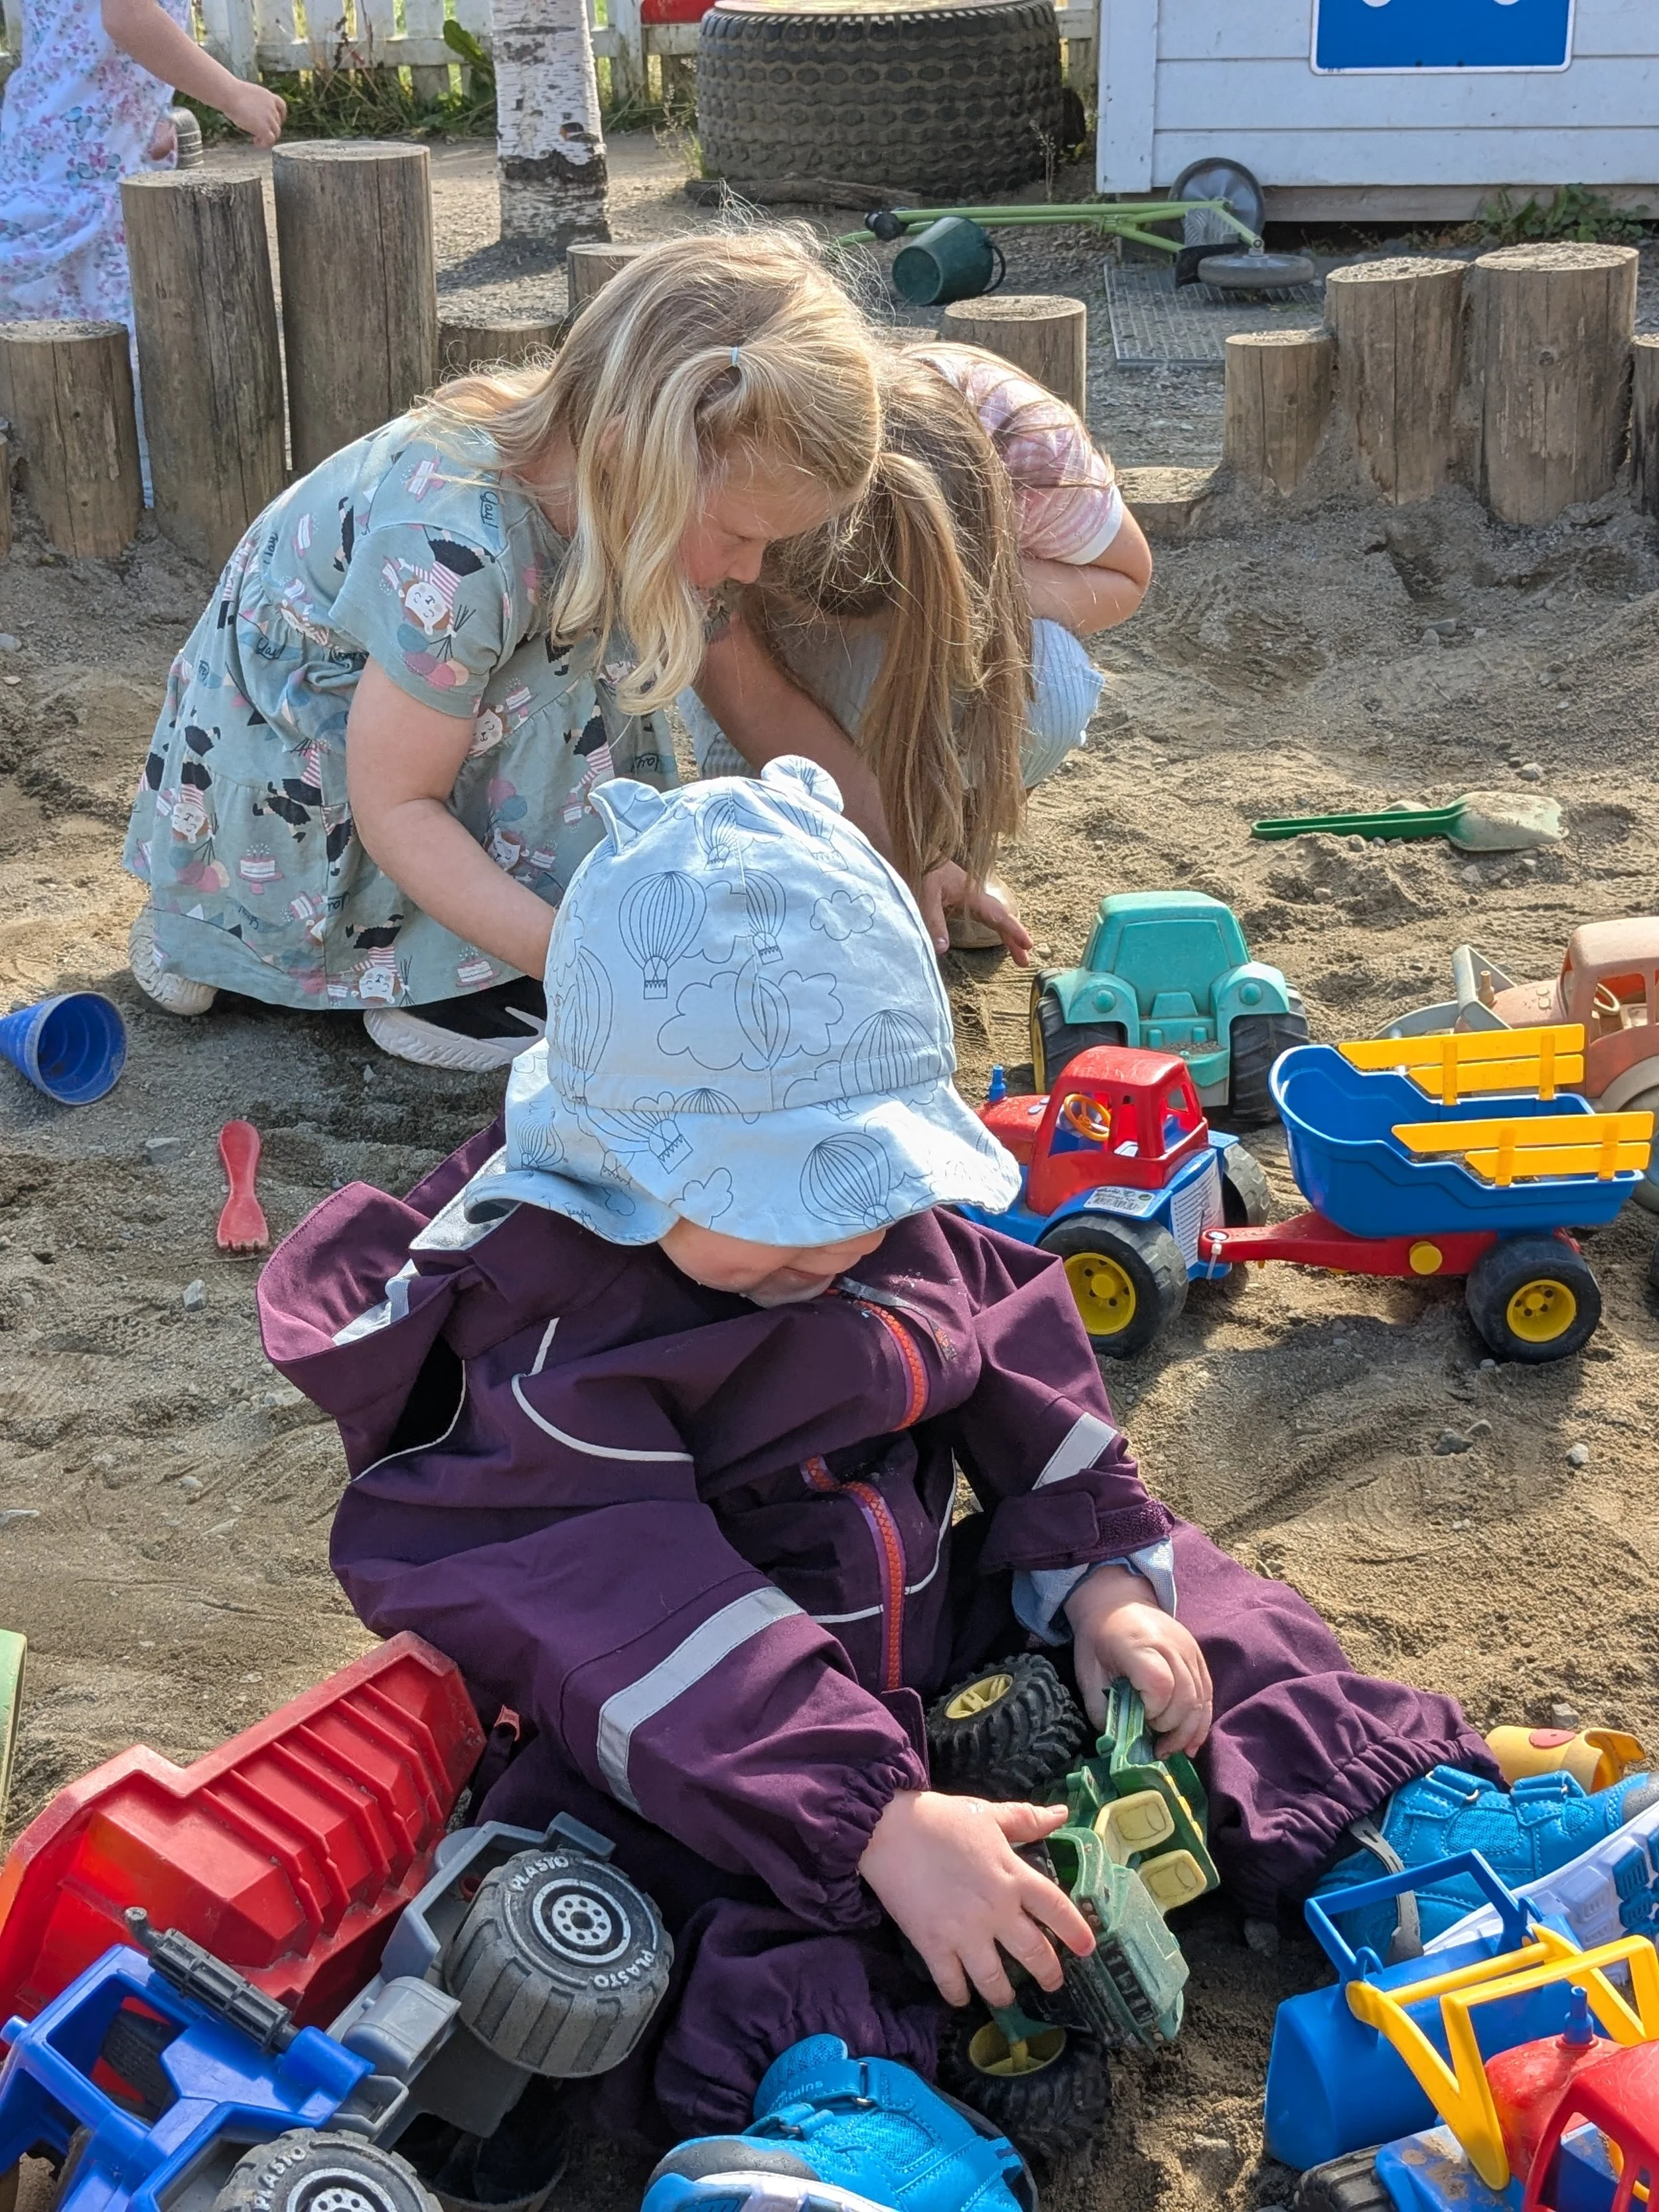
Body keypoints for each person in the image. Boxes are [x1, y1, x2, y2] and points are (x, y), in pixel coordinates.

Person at [257, 759, 1656, 2212]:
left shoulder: (863, 1227)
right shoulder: (553, 1333)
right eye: (783, 1210)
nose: (844, 1245)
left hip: (924, 1632)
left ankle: (1398, 1827)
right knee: (693, 1888)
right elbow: (630, 1613)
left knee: (1199, 1613)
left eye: (868, 1196)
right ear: (618, 1138)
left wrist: (1098, 1567)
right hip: (698, 1725)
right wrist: (872, 1815)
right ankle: (843, 2113)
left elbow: (1008, 1330)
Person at [121, 232, 882, 1070]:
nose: (750, 568)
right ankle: (266, 936)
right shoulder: (454, 546)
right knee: (564, 682)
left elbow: (759, 700)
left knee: (588, 665)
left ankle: (445, 961)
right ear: (631, 452)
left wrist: (902, 857)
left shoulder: (620, 486)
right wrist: (590, 970)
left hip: (400, 753)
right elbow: (400, 805)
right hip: (298, 774)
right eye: (742, 536)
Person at [680, 342, 1153, 958]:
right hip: (781, 635)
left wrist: (977, 585)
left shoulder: (1033, 450)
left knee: (1053, 683)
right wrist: (898, 850)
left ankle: (948, 856)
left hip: (965, 600)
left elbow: (1129, 576)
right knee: (769, 772)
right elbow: (754, 699)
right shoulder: (760, 470)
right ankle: (850, 862)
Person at [0, 0, 285, 329]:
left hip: (66, 142)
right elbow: (129, 16)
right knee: (95, 325)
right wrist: (232, 95)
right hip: (83, 162)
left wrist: (150, 116)